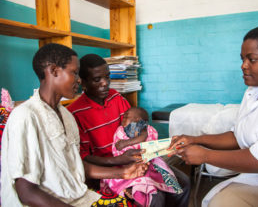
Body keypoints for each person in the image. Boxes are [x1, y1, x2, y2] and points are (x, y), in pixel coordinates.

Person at [168, 24, 258, 207]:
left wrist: (206, 155)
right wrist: (195, 139)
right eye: (242, 59)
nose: (243, 66)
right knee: (220, 203)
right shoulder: (254, 89)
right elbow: (238, 135)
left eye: (252, 59)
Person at [1, 43, 147, 207]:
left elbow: (75, 166)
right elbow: (26, 192)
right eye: (75, 73)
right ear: (54, 71)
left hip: (78, 197)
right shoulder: (25, 116)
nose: (79, 79)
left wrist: (123, 172)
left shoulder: (66, 116)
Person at [67, 54, 191, 207]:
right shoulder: (75, 113)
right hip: (108, 167)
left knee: (183, 183)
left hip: (134, 157)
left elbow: (139, 128)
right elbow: (84, 158)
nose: (105, 83)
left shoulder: (116, 98)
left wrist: (147, 146)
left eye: (107, 76)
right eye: (97, 79)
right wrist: (119, 160)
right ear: (83, 82)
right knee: (154, 197)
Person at [103, 107, 183, 206]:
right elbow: (117, 148)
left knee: (150, 173)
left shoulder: (148, 130)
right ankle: (131, 189)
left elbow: (147, 140)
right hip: (123, 162)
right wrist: (123, 148)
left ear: (138, 121)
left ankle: (138, 190)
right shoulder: (120, 130)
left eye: (126, 117)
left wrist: (126, 143)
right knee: (126, 176)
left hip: (147, 162)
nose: (122, 119)